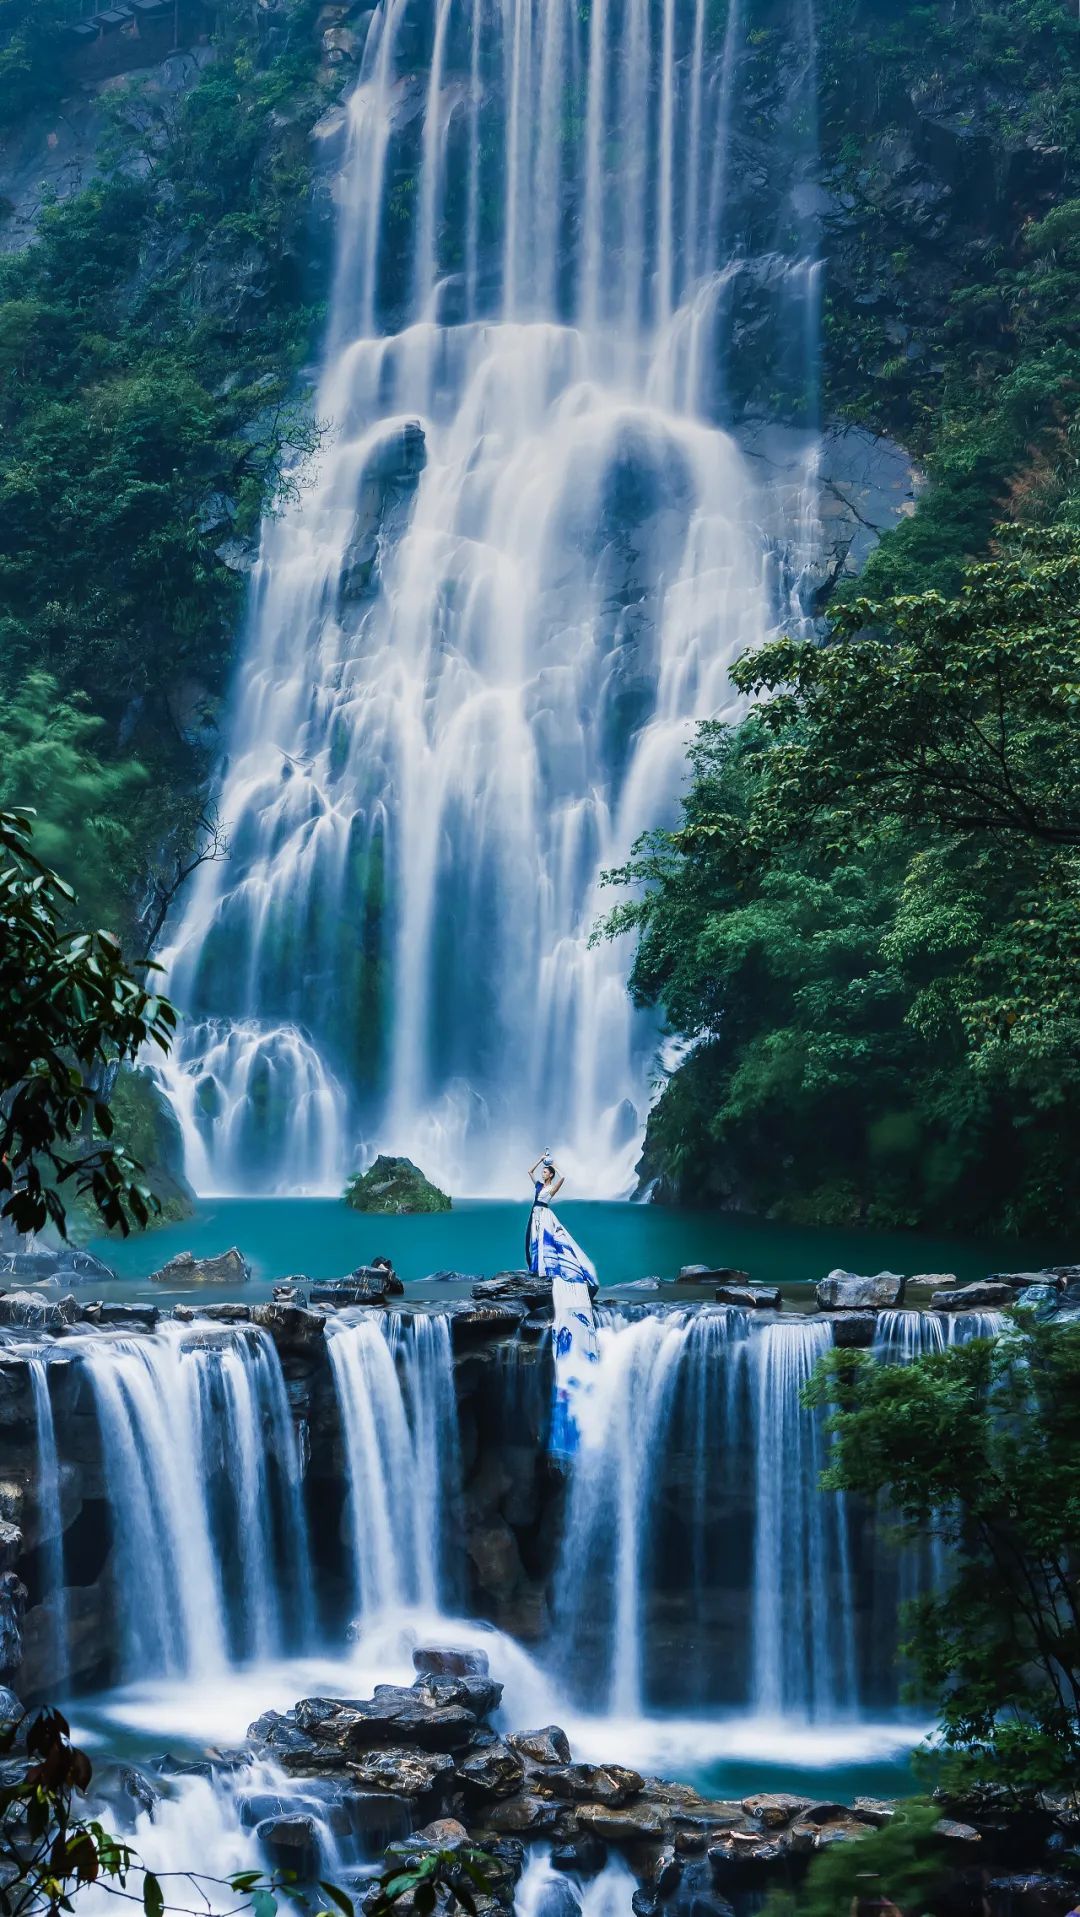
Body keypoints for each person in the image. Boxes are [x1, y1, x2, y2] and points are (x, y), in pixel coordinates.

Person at [526, 1152, 599, 1457]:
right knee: (538, 1248)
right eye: (543, 1174)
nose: (543, 1175)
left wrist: (556, 1170)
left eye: (546, 1174)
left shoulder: (550, 1189)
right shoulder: (536, 1185)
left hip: (545, 1216)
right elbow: (528, 1173)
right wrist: (539, 1160)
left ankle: (551, 1270)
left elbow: (562, 1179)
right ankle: (540, 1270)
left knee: (551, 1247)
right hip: (536, 1216)